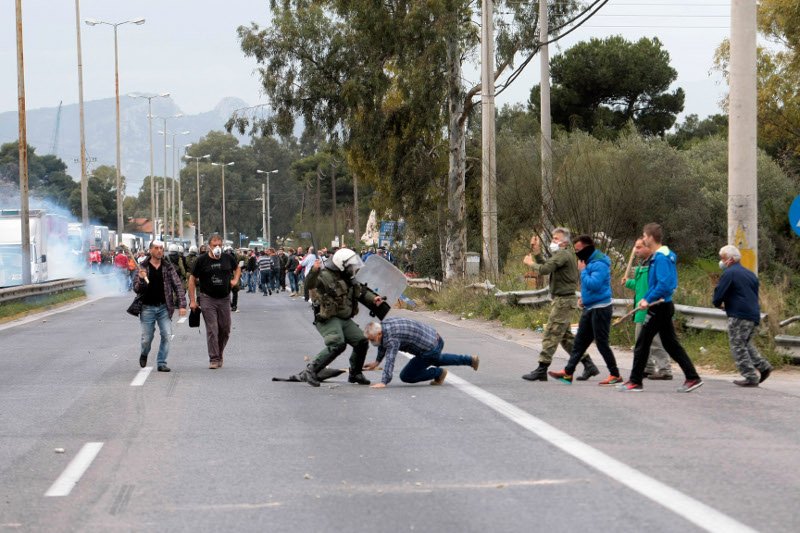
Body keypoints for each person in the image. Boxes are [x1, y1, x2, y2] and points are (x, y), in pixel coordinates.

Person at [618, 223, 704, 393]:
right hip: (661, 306)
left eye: (644, 236)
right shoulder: (662, 256)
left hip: (659, 307)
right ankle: (692, 377)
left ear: (651, 237)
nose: (643, 239)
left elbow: (665, 284)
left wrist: (648, 299)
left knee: (642, 343)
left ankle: (635, 381)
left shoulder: (661, 258)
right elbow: (659, 284)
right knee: (671, 344)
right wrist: (646, 298)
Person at [521, 228, 599, 382]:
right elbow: (548, 265)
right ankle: (589, 365)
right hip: (563, 300)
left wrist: (531, 263)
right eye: (553, 238)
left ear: (564, 242)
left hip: (564, 301)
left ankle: (542, 368)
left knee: (551, 333)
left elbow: (545, 269)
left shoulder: (563, 254)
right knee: (566, 338)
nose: (553, 241)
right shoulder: (562, 255)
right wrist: (537, 252)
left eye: (556, 238)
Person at [302, 248, 383, 387]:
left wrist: (373, 298)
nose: (353, 268)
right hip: (328, 318)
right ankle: (311, 370)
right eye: (350, 265)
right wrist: (314, 271)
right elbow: (309, 284)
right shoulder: (324, 275)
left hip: (344, 318)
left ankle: (355, 373)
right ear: (341, 265)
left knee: (361, 341)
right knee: (337, 344)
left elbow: (360, 291)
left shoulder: (348, 277)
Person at [548, 235, 622, 385]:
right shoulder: (588, 261)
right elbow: (590, 288)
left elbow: (594, 284)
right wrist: (584, 299)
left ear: (587, 248)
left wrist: (582, 271)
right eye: (575, 250)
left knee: (601, 343)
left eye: (578, 250)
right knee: (579, 342)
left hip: (601, 309)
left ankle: (615, 374)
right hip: (589, 307)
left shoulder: (599, 263)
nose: (577, 253)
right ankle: (568, 372)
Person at [713, 245, 772, 387]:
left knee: (737, 346)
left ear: (730, 259)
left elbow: (719, 293)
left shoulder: (729, 273)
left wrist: (718, 303)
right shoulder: (750, 274)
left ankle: (750, 377)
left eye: (723, 258)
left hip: (739, 315)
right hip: (753, 314)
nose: (721, 261)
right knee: (745, 344)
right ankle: (763, 367)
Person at [363, 318, 479, 387]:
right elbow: (383, 343)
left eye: (372, 339)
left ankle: (438, 373)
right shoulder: (384, 325)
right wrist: (377, 362)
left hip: (430, 348)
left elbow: (390, 359)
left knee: (406, 376)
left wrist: (384, 382)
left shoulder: (392, 337)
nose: (371, 342)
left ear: (379, 334)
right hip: (435, 338)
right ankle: (470, 360)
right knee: (437, 359)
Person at [188, 234, 241, 369]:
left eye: (219, 245)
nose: (217, 247)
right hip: (207, 298)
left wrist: (235, 280)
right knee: (212, 329)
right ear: (209, 246)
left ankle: (219, 353)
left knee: (225, 329)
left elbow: (237, 268)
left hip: (224, 298)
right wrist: (192, 301)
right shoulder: (201, 260)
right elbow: (192, 279)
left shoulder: (228, 258)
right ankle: (214, 358)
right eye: (214, 245)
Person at [623, 238, 673, 380]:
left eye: (639, 247)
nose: (636, 250)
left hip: (649, 308)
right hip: (641, 308)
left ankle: (665, 369)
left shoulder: (653, 265)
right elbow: (639, 286)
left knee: (655, 342)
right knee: (641, 342)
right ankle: (648, 367)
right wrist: (628, 283)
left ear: (648, 248)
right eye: (635, 247)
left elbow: (653, 287)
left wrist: (647, 302)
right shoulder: (643, 264)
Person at [133, 240, 187, 372]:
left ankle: (161, 362)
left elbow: (178, 285)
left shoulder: (168, 267)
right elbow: (136, 289)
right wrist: (141, 279)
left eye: (161, 248)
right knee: (147, 338)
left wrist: (182, 305)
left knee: (167, 335)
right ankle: (144, 353)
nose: (159, 251)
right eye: (156, 248)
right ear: (150, 250)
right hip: (147, 308)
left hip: (164, 307)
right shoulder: (143, 267)